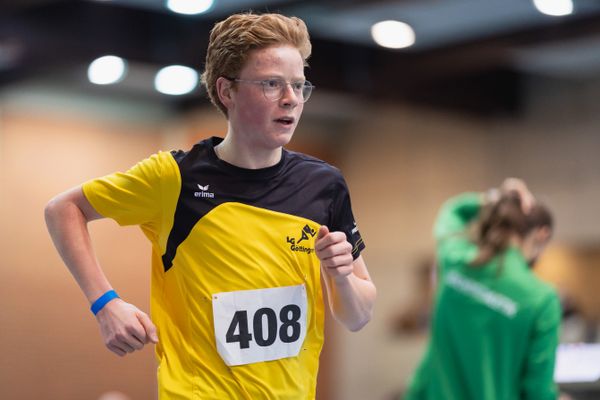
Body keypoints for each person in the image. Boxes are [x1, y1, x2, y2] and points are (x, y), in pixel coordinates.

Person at [44, 12, 376, 400]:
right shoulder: (174, 177)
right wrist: (105, 303)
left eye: (299, 85)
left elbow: (358, 316)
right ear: (227, 91)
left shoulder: (324, 185)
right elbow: (63, 210)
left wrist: (339, 277)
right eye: (272, 84)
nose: (291, 99)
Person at [404, 178, 560, 400]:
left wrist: (494, 199)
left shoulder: (455, 260)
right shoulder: (542, 299)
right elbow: (538, 391)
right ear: (542, 234)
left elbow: (452, 211)